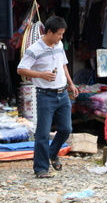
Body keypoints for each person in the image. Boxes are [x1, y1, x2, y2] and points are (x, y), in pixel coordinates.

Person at [17, 16, 78, 178]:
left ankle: (52, 153)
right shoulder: (34, 49)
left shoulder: (58, 45)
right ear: (49, 32)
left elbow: (63, 64)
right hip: (45, 95)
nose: (61, 37)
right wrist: (41, 75)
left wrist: (71, 84)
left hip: (62, 93)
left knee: (66, 129)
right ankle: (41, 169)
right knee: (43, 133)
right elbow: (21, 69)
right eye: (59, 34)